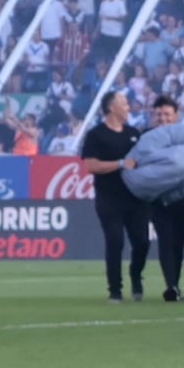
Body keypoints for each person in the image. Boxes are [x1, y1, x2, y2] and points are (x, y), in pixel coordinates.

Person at [77, 91, 148, 302]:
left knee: (142, 242)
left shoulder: (134, 133)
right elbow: (91, 165)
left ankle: (136, 275)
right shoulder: (96, 135)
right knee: (115, 242)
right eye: (124, 103)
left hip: (135, 197)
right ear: (111, 107)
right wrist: (119, 164)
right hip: (109, 197)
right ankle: (115, 290)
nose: (128, 107)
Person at [136, 96, 184, 302]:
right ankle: (171, 285)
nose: (162, 118)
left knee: (178, 242)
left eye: (167, 114)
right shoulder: (146, 137)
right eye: (159, 114)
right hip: (158, 199)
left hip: (182, 197)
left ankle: (174, 284)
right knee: (165, 239)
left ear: (176, 116)